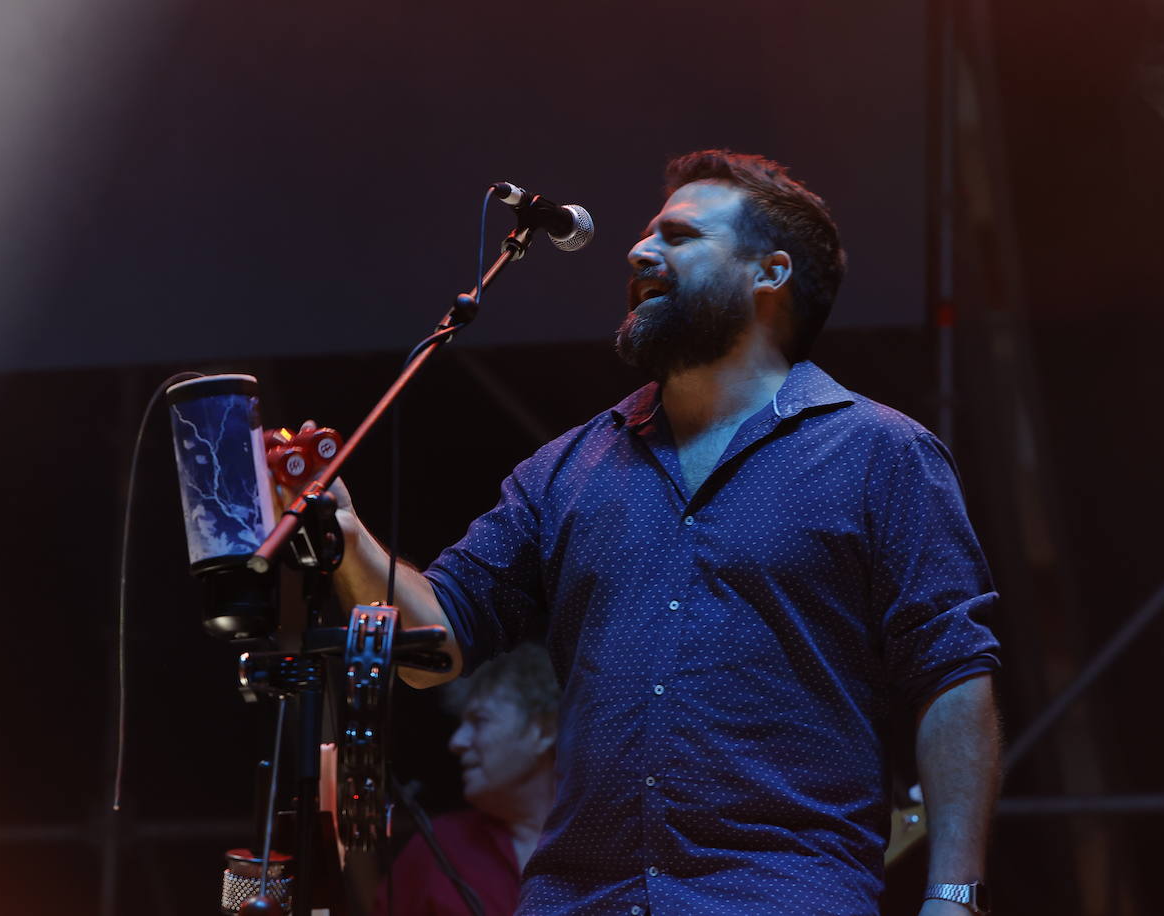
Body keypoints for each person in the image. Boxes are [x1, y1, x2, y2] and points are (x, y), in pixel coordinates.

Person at [331, 150, 1002, 915]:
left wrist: (954, 895)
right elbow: (432, 651)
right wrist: (348, 533)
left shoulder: (880, 454)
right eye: (650, 235)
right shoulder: (565, 471)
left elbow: (952, 676)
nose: (639, 250)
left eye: (679, 236)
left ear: (770, 274)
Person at [373, 643, 558, 916]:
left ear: (541, 731)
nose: (456, 742)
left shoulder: (604, 844)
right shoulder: (438, 848)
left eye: (480, 720)